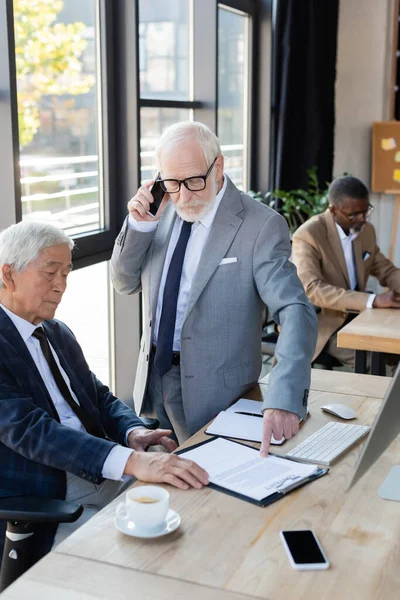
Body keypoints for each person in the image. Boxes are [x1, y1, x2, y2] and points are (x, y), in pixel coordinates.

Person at [0, 221, 208, 565]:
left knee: (188, 505)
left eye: (66, 273)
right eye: (51, 273)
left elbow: (97, 395)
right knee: (149, 552)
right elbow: (29, 430)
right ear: (8, 275)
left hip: (96, 462)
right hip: (46, 483)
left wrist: (132, 431)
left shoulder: (55, 331)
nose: (61, 286)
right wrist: (131, 461)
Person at [111, 120, 317, 456]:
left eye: (193, 180)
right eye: (172, 182)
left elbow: (295, 310)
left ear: (218, 166)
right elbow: (123, 283)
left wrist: (284, 397)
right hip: (154, 378)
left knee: (218, 490)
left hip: (218, 391)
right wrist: (138, 226)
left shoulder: (260, 225)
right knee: (170, 485)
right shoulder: (159, 212)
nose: (184, 195)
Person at [292, 175, 400, 367]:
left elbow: (386, 270)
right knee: (372, 364)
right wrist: (374, 300)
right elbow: (312, 289)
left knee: (393, 351)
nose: (362, 219)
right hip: (323, 323)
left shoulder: (366, 231)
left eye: (366, 212)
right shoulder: (308, 234)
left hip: (358, 315)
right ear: (333, 210)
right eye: (354, 215)